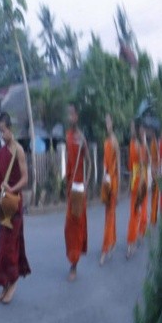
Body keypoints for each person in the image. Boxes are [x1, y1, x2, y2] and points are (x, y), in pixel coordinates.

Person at [0, 112, 31, 304]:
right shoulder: (1, 153)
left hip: (15, 201)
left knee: (12, 245)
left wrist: (12, 189)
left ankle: (13, 282)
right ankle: (4, 286)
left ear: (10, 129)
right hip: (5, 203)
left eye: (3, 131)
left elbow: (25, 178)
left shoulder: (19, 151)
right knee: (3, 246)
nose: (2, 135)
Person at [64, 103, 92, 281]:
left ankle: (74, 265)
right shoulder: (67, 136)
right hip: (70, 187)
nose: (70, 118)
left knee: (77, 226)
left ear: (77, 116)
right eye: (68, 115)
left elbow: (89, 163)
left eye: (72, 115)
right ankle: (73, 258)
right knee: (68, 228)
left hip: (80, 188)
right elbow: (68, 159)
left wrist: (87, 183)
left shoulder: (82, 138)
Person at [100, 112, 120, 266]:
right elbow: (104, 163)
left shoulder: (114, 142)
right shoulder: (106, 141)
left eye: (109, 122)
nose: (107, 125)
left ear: (112, 124)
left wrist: (117, 188)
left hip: (113, 181)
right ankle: (112, 241)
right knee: (108, 213)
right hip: (106, 180)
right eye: (105, 122)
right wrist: (102, 176)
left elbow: (118, 165)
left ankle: (105, 249)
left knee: (110, 215)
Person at [126, 120, 143, 259]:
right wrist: (129, 185)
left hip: (139, 182)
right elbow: (131, 168)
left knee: (135, 213)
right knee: (133, 213)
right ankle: (132, 240)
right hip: (133, 182)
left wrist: (141, 184)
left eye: (132, 128)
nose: (131, 131)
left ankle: (132, 242)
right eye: (130, 128)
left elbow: (141, 167)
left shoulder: (137, 146)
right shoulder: (131, 145)